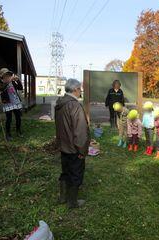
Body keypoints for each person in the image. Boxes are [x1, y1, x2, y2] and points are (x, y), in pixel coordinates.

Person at [55, 79, 90, 209]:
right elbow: (80, 131)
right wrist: (82, 150)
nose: (80, 91)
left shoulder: (60, 103)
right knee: (76, 174)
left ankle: (63, 197)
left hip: (63, 146)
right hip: (74, 148)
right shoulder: (74, 105)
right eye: (80, 89)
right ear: (75, 90)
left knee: (66, 172)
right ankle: (72, 202)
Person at [0, 68, 23, 141]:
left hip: (16, 103)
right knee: (9, 119)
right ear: (2, 76)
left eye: (8, 75)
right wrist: (9, 80)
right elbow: (2, 89)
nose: (7, 76)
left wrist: (17, 80)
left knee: (18, 118)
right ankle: (8, 134)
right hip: (8, 104)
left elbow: (20, 88)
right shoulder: (0, 83)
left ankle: (18, 131)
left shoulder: (13, 82)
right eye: (5, 75)